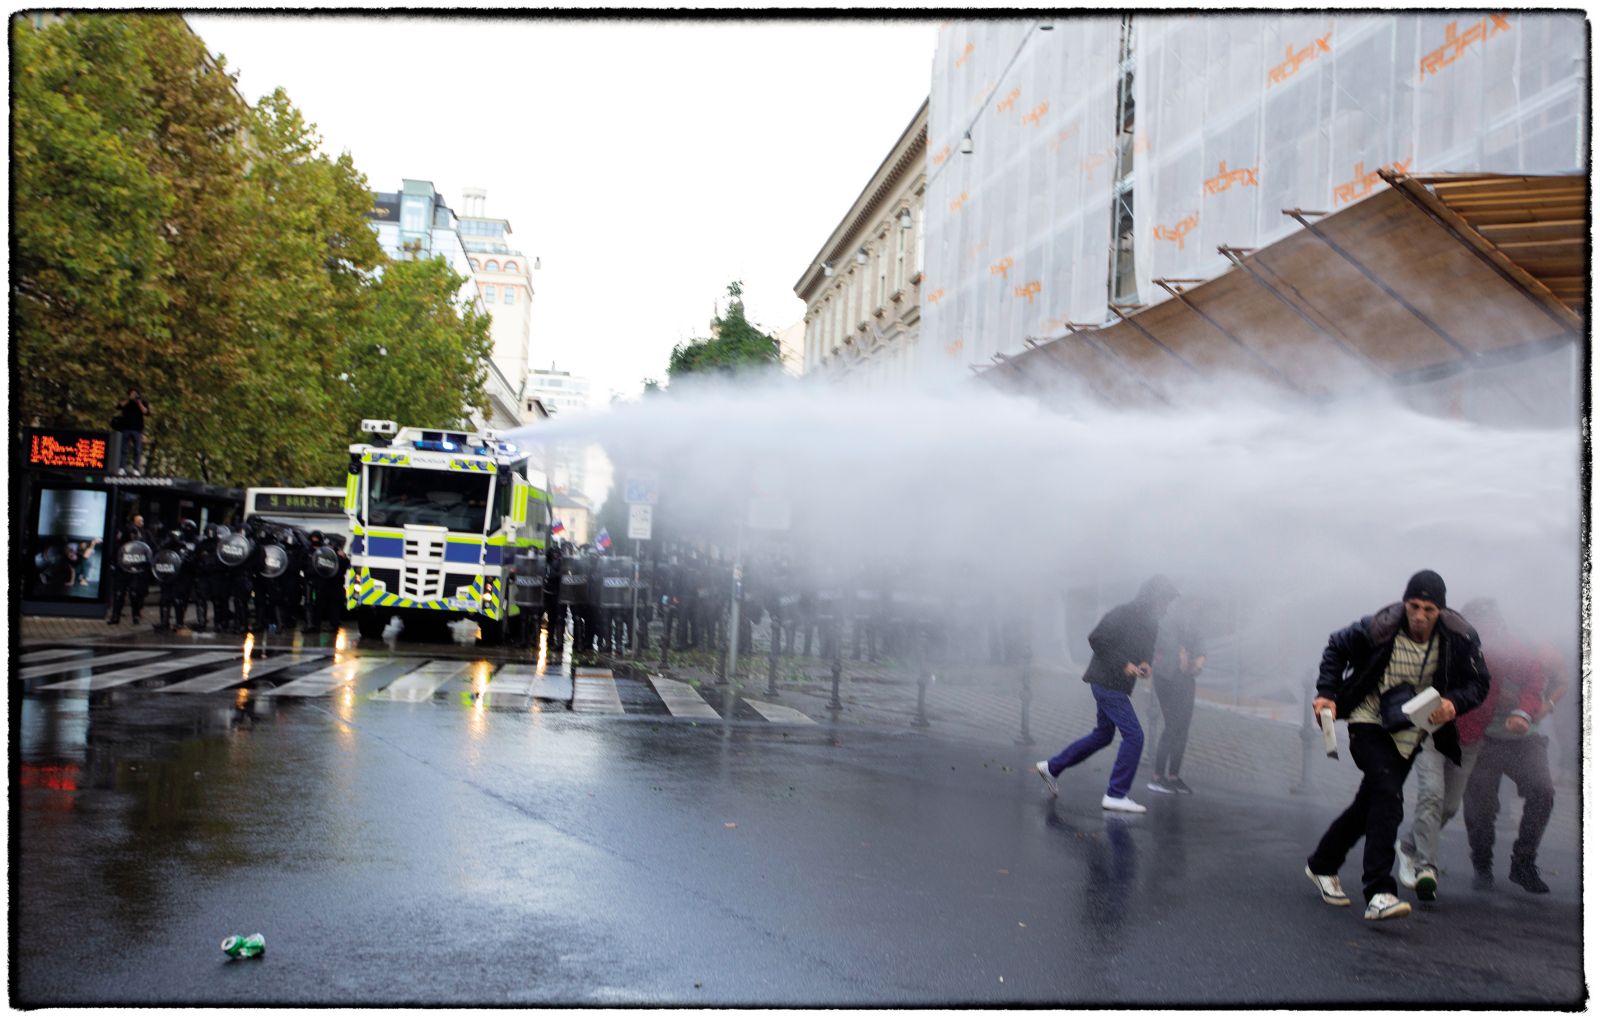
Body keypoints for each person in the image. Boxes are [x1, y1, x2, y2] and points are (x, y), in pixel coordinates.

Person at [1305, 570, 1489, 922]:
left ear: (1441, 611)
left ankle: (1322, 864)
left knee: (1368, 804)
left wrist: (1454, 703)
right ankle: (1379, 892)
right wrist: (1327, 693)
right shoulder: (1380, 625)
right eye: (1414, 606)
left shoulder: (1459, 636)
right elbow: (1336, 647)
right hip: (1367, 718)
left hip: (1412, 730)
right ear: (1405, 602)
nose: (1419, 616)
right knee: (1388, 796)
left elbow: (1479, 682)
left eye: (1429, 610)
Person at [1034, 575, 1180, 814]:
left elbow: (1145, 650)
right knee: (1135, 736)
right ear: (1152, 598)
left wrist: (1144, 664)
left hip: (1116, 685)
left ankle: (1052, 767)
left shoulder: (1151, 623)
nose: (1166, 607)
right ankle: (1116, 794)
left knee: (1103, 735)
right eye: (1165, 601)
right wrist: (1125, 665)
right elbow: (1097, 639)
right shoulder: (1124, 613)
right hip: (1105, 682)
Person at [1459, 598, 1563, 894]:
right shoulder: (1461, 651)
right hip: (1480, 740)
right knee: (1481, 810)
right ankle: (1482, 863)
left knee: (1543, 791)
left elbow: (1535, 683)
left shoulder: (1518, 648)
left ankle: (1523, 863)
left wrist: (1524, 710)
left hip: (1522, 738)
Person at [1148, 601, 1206, 795]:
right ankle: (1157, 776)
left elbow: (1200, 645)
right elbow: (1168, 645)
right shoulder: (1167, 619)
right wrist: (1182, 655)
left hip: (1186, 677)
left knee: (1183, 726)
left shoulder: (1194, 622)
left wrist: (1199, 659)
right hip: (1167, 677)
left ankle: (1173, 775)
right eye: (1193, 603)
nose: (1196, 607)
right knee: (1173, 725)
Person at [113, 387, 150, 476]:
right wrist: (129, 400)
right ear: (129, 394)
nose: (134, 395)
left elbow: (146, 412)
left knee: (137, 450)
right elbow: (118, 406)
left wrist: (138, 402)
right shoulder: (126, 402)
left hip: (137, 430)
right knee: (124, 449)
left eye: (135, 394)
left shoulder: (142, 402)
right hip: (125, 428)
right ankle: (122, 468)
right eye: (132, 393)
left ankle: (136, 469)